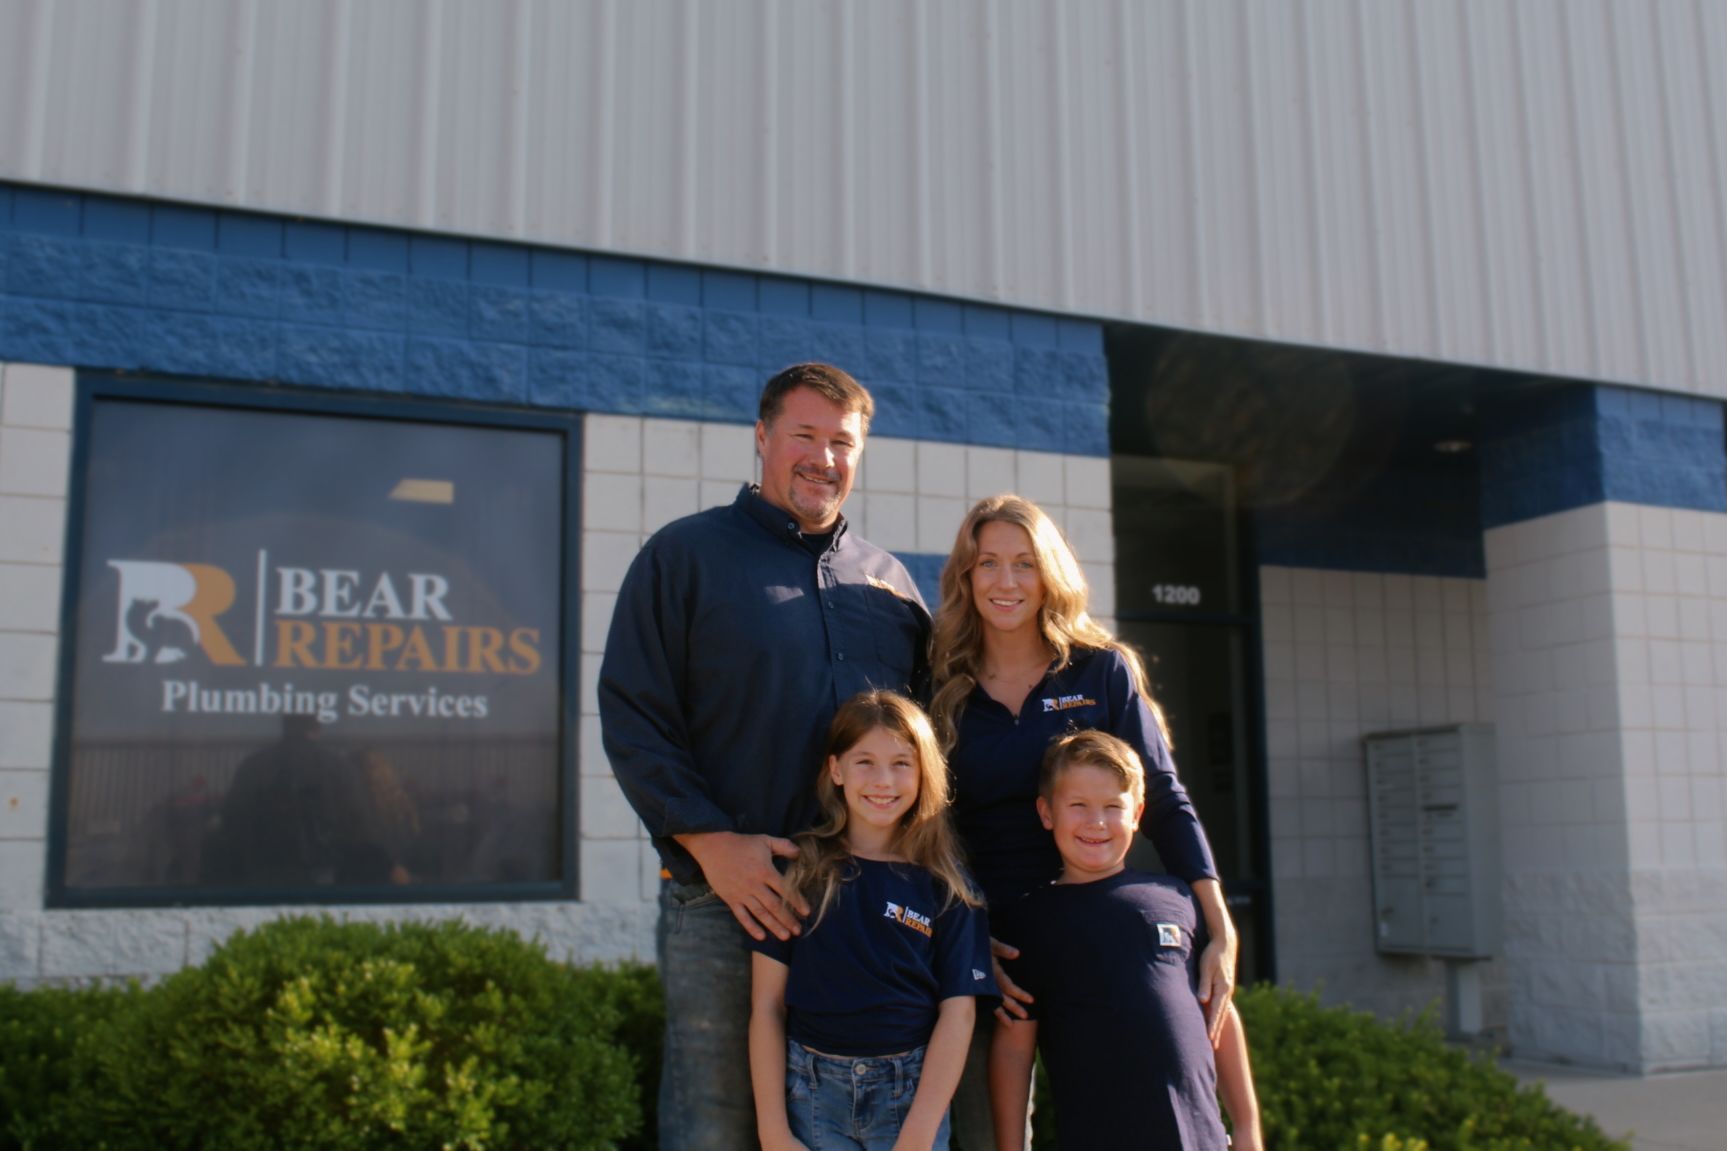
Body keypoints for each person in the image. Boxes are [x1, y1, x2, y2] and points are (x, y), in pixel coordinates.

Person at [600, 364, 931, 1151]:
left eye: (841, 442)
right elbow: (634, 714)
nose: (823, 457)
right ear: (761, 437)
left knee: (849, 1125)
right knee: (713, 1123)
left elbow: (932, 743)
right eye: (804, 436)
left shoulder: (889, 585)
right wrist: (711, 843)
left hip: (863, 902)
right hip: (724, 898)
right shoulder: (683, 556)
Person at [927, 494, 1238, 1148]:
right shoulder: (941, 687)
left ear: (1049, 574)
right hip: (994, 953)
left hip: (1090, 935)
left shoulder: (1099, 670)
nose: (1006, 581)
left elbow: (1161, 792)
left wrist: (1219, 923)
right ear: (965, 575)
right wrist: (968, 939)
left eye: (1024, 563)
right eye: (987, 563)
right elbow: (929, 828)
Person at [987, 730, 1262, 1151]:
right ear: (1046, 812)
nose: (1096, 822)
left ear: (1137, 813)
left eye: (1113, 807)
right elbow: (1013, 1049)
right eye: (1078, 806)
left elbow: (1218, 1009)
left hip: (1201, 1140)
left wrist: (1245, 1128)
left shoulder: (1179, 898)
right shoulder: (1028, 920)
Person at [749, 691, 996, 1151]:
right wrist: (773, 1131)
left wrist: (920, 1134)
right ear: (836, 769)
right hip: (813, 1095)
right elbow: (767, 1006)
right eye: (865, 761)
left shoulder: (949, 888)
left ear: (924, 773)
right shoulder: (801, 872)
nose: (884, 780)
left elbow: (959, 1013)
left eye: (902, 763)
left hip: (909, 1098)